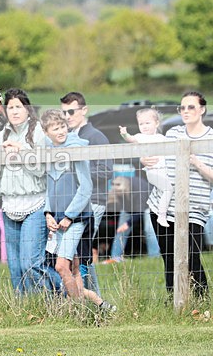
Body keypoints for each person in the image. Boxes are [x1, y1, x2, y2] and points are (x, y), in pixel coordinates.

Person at [143, 92, 213, 296]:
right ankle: (173, 301)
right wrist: (144, 160)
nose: (185, 111)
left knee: (191, 257)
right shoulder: (173, 133)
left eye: (191, 107)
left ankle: (202, 299)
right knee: (169, 258)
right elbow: (156, 157)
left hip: (194, 209)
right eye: (182, 108)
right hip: (162, 207)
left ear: (202, 109)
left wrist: (198, 163)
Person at [42, 109, 114, 311]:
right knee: (73, 268)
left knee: (61, 266)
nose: (60, 131)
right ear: (46, 132)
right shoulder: (48, 153)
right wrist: (48, 213)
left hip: (77, 218)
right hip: (57, 219)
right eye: (55, 128)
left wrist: (69, 216)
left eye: (62, 126)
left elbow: (86, 188)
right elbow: (47, 186)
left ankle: (80, 309)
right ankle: (99, 307)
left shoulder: (77, 149)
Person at [0, 88, 49, 294]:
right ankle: (23, 307)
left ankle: (51, 297)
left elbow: (42, 169)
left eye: (19, 106)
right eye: (10, 107)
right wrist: (2, 155)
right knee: (15, 268)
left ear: (27, 109)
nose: (15, 111)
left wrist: (21, 152)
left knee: (30, 263)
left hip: (35, 203)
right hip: (9, 204)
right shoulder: (1, 135)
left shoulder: (38, 132)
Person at [60, 92, 112, 296]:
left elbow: (106, 171)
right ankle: (90, 299)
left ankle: (93, 299)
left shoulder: (96, 136)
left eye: (71, 111)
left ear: (84, 110)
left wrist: (78, 174)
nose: (67, 116)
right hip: (74, 204)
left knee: (81, 252)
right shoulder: (66, 137)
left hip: (93, 201)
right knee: (77, 252)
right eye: (64, 112)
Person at [120, 108, 173, 228]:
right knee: (168, 189)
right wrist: (124, 133)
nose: (144, 126)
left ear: (157, 123)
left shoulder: (161, 138)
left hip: (164, 170)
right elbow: (130, 139)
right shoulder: (140, 137)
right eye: (141, 124)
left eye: (147, 123)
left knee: (166, 190)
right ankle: (161, 216)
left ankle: (163, 212)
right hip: (153, 171)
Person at [105, 174, 161, 262]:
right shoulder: (118, 188)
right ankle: (115, 257)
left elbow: (139, 211)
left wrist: (128, 223)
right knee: (120, 231)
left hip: (148, 205)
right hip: (129, 207)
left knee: (149, 230)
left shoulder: (139, 189)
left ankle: (154, 257)